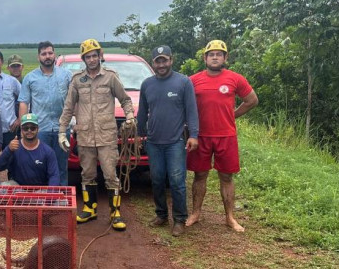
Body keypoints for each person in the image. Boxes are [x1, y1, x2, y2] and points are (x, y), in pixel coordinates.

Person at [58, 39, 135, 231]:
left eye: (94, 55)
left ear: (100, 55)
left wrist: (130, 116)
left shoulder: (110, 77)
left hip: (107, 136)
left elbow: (125, 100)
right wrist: (62, 131)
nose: (92, 59)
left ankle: (115, 212)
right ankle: (90, 209)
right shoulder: (77, 80)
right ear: (83, 59)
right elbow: (68, 108)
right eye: (88, 56)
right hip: (85, 136)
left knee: (110, 175)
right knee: (87, 174)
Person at [186, 40, 259, 232]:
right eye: (211, 54)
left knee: (226, 177)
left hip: (226, 136)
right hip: (200, 136)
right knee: (199, 175)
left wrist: (232, 115)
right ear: (205, 58)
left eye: (219, 54)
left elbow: (252, 100)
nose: (215, 57)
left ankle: (230, 218)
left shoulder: (235, 79)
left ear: (225, 58)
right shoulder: (193, 80)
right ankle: (195, 214)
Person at [136, 45, 199, 237]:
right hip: (153, 141)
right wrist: (140, 134)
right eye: (158, 61)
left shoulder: (183, 82)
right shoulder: (147, 84)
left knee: (177, 181)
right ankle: (161, 214)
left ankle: (179, 219)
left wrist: (194, 135)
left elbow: (191, 111)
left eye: (165, 60)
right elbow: (142, 113)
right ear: (153, 63)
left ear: (171, 60)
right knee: (156, 179)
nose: (161, 64)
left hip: (175, 142)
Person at [18, 41, 72, 185]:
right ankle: (42, 201)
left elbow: (74, 101)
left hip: (62, 129)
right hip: (40, 130)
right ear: (38, 57)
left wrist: (76, 122)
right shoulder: (30, 78)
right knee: (39, 166)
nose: (47, 56)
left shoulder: (66, 75)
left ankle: (62, 200)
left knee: (61, 167)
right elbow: (24, 102)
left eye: (50, 53)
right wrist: (23, 128)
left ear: (54, 55)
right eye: (44, 54)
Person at [0, 113, 59, 186]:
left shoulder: (48, 151)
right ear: (21, 130)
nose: (29, 131)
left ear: (38, 129)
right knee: (3, 187)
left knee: (60, 195)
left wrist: (50, 195)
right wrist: (8, 150)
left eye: (32, 128)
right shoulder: (13, 147)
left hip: (41, 191)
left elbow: (54, 176)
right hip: (18, 189)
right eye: (26, 128)